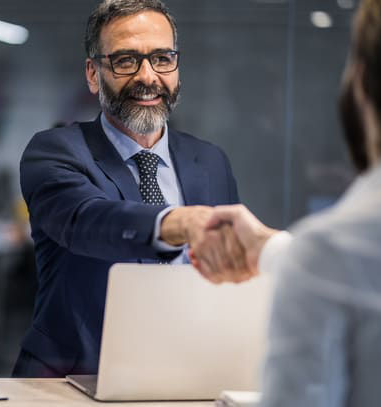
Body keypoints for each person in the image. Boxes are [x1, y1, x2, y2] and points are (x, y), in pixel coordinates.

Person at [191, 0, 381, 405]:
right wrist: (269, 248)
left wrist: (304, 258)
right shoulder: (326, 257)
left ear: (362, 86)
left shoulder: (329, 256)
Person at [15, 0, 240, 377]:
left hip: (189, 378)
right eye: (125, 61)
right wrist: (177, 222)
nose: (147, 76)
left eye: (162, 59)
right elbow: (86, 220)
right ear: (93, 74)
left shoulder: (211, 161)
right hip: (72, 382)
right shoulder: (55, 150)